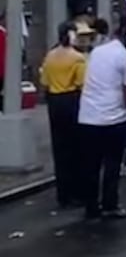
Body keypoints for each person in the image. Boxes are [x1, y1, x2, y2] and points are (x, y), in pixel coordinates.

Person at [77, 17, 126, 221]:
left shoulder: (97, 52)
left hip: (88, 116)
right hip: (113, 117)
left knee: (91, 164)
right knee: (112, 163)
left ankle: (91, 206)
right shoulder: (124, 57)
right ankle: (110, 204)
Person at [39, 21, 86, 208]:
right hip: (71, 100)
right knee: (77, 147)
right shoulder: (78, 58)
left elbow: (44, 81)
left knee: (59, 148)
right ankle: (77, 191)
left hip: (54, 102)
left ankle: (63, 193)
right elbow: (82, 83)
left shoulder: (50, 56)